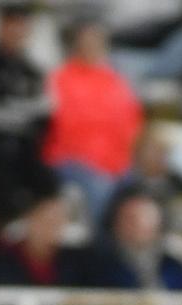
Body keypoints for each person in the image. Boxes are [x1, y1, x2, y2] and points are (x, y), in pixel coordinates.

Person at [41, 18, 142, 224]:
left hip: (117, 162)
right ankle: (101, 247)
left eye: (96, 40)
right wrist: (103, 161)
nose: (92, 46)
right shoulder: (61, 78)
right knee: (101, 188)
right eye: (86, 40)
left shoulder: (116, 79)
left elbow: (132, 122)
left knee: (143, 193)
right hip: (73, 161)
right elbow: (66, 127)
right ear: (76, 44)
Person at [0, 4, 57, 217]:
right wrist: (24, 112)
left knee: (50, 183)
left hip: (28, 146)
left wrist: (11, 106)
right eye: (11, 25)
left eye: (22, 26)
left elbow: (47, 110)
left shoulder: (34, 71)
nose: (16, 32)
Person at [123, 126, 182, 246]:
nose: (156, 156)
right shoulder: (128, 191)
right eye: (149, 151)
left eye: (161, 151)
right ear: (136, 155)